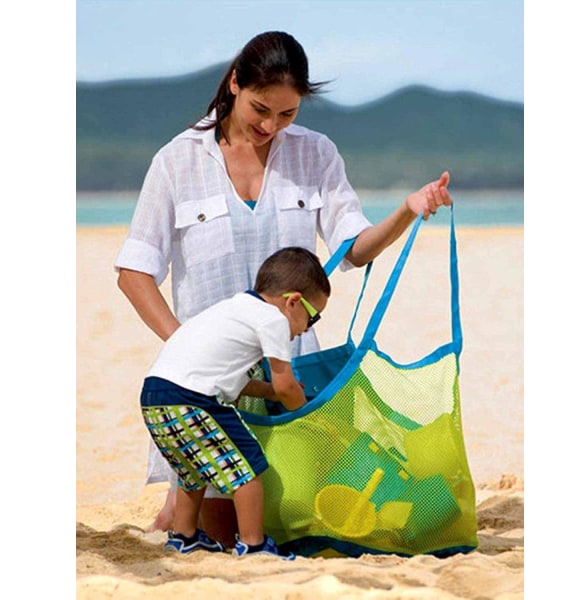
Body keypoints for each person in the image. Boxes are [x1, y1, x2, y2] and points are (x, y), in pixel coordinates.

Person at [115, 30, 452, 536]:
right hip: (210, 386)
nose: (271, 126)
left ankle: (180, 509)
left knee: (302, 525)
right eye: (260, 110)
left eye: (287, 114)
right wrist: (186, 347)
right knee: (225, 531)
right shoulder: (176, 161)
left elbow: (353, 249)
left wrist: (407, 209)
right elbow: (134, 272)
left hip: (288, 372)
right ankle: (179, 508)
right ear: (234, 84)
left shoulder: (316, 154)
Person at [140, 247, 330, 559]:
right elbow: (286, 387)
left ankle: (185, 536)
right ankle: (254, 544)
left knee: (192, 469)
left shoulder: (236, 308)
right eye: (312, 317)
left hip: (155, 395)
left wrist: (269, 391)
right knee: (248, 465)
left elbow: (238, 385)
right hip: (192, 400)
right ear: (293, 301)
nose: (307, 329)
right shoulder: (274, 320)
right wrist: (306, 411)